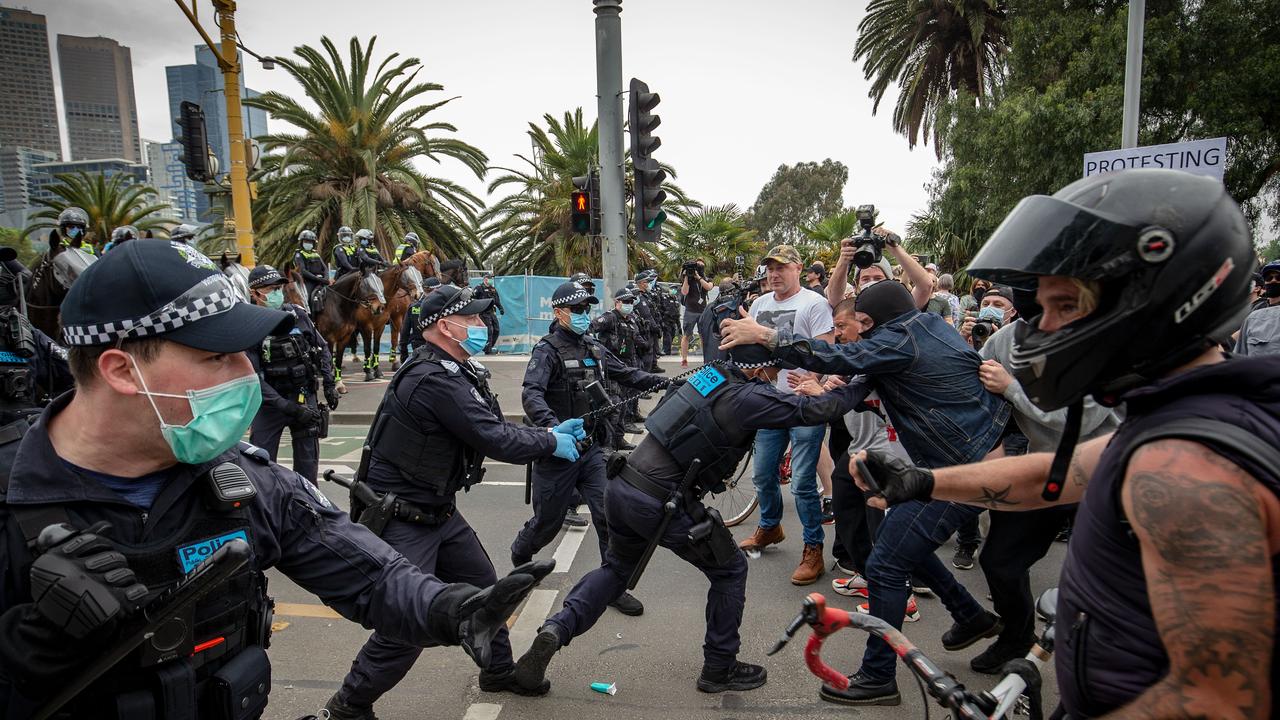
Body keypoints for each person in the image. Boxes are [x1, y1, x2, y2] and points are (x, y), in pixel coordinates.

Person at [0, 239, 554, 720]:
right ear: (122, 370)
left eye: (246, 353)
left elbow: (372, 577)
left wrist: (453, 611)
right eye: (218, 356)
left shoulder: (247, 483)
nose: (245, 375)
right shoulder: (15, 503)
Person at [851, 168, 1277, 719]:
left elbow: (1217, 703)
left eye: (1065, 307)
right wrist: (924, 483)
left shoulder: (1186, 468)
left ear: (1156, 303)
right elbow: (1058, 474)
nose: (1042, 330)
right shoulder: (1181, 423)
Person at [513, 343, 876, 695]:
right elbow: (817, 411)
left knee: (615, 570)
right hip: (660, 498)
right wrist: (867, 380)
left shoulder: (710, 376)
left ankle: (556, 630)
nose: (776, 376)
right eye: (775, 368)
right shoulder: (749, 397)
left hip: (623, 485)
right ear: (761, 367)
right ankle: (720, 667)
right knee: (730, 570)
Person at [719, 278, 1010, 705]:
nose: (857, 331)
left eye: (864, 323)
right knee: (909, 544)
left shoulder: (902, 339)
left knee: (887, 562)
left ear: (886, 319)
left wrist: (766, 335)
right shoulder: (923, 329)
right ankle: (970, 615)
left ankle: (878, 678)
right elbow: (840, 394)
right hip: (962, 461)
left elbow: (841, 356)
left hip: (969, 467)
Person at [324, 285, 587, 718]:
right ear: (445, 326)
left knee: (490, 591)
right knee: (405, 623)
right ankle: (349, 704)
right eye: (475, 320)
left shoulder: (455, 368)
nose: (484, 326)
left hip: (438, 511)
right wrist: (549, 442)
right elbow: (492, 436)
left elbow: (493, 425)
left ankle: (498, 671)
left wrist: (548, 435)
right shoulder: (432, 378)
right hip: (405, 517)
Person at [960, 287, 1121, 673]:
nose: (1046, 320)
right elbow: (972, 374)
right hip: (1042, 468)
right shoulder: (1009, 337)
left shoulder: (1100, 343)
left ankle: (1099, 660)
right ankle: (1016, 637)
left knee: (1102, 574)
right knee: (1000, 559)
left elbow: (1075, 420)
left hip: (1097, 471)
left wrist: (1010, 388)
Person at [512, 281, 666, 616]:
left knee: (607, 517)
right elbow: (531, 394)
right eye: (577, 309)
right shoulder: (547, 350)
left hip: (593, 450)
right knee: (547, 524)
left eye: (586, 309)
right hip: (558, 454)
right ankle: (520, 556)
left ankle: (613, 586)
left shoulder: (593, 347)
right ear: (559, 312)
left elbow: (628, 374)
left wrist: (670, 382)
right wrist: (553, 429)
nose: (584, 315)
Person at [732, 244, 836, 586]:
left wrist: (814, 379)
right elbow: (752, 349)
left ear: (798, 268)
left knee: (805, 482)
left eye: (781, 267)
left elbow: (826, 349)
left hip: (804, 406)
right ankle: (770, 526)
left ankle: (813, 549)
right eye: (769, 268)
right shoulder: (760, 304)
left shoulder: (814, 303)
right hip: (768, 402)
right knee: (762, 475)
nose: (774, 273)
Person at [244, 264, 337, 485]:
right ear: (254, 293)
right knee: (261, 471)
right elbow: (253, 376)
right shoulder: (249, 323)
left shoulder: (298, 315)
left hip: (304, 398)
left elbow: (322, 348)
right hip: (270, 406)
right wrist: (285, 406)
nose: (276, 293)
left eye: (278, 287)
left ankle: (309, 513)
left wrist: (330, 384)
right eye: (269, 289)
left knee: (308, 471)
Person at [589, 287, 642, 450]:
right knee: (615, 407)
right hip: (612, 370)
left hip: (628, 366)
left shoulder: (631, 319)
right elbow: (590, 328)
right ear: (617, 302)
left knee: (625, 405)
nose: (629, 304)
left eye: (631, 301)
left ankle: (619, 439)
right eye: (626, 301)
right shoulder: (610, 318)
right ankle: (608, 445)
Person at [1235, 258, 1280, 356]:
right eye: (1268, 278)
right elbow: (1239, 356)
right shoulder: (1253, 317)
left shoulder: (1258, 307)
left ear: (1258, 288)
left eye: (1279, 277)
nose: (1273, 281)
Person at [680, 259, 713, 368]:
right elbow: (684, 292)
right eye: (697, 265)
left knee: (703, 335)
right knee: (686, 335)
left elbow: (708, 287)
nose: (698, 267)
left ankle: (706, 359)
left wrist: (699, 277)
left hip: (703, 311)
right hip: (690, 310)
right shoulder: (689, 278)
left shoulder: (706, 278)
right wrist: (686, 277)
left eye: (700, 265)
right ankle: (684, 359)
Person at [399, 276, 440, 361]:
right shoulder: (442, 307)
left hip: (418, 349)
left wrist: (403, 353)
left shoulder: (414, 306)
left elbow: (404, 331)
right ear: (436, 290)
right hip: (437, 349)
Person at [293, 229, 330, 313]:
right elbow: (303, 271)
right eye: (306, 241)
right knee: (308, 298)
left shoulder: (316, 254)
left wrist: (326, 278)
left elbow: (324, 268)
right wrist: (318, 279)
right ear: (301, 242)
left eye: (311, 242)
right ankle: (310, 317)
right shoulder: (299, 254)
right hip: (308, 282)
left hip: (320, 280)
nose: (308, 243)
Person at [472, 271, 505, 354]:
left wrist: (500, 308)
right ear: (485, 279)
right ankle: (488, 350)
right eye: (490, 278)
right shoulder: (479, 288)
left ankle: (489, 346)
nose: (491, 280)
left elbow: (497, 300)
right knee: (489, 330)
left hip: (491, 312)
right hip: (483, 313)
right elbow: (473, 299)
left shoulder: (493, 289)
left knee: (496, 330)